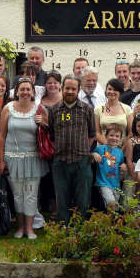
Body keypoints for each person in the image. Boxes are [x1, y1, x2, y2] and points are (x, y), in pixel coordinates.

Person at [0, 78, 48, 239]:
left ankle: (30, 228)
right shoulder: (8, 108)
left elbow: (50, 133)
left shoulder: (40, 109)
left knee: (31, 194)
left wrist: (44, 123)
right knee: (18, 195)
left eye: (28, 89)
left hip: (33, 158)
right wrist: (1, 159)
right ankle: (20, 227)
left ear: (33, 92)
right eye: (22, 89)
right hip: (12, 158)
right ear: (16, 91)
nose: (25, 92)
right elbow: (1, 136)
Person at [48, 74, 96, 223]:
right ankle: (63, 230)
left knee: (82, 200)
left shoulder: (87, 110)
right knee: (62, 199)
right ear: (62, 89)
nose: (70, 91)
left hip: (82, 162)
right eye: (67, 88)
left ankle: (81, 231)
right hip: (60, 162)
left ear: (78, 90)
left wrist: (83, 151)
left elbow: (92, 134)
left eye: (73, 89)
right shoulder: (54, 110)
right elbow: (52, 134)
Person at [39, 71, 62, 215]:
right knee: (45, 178)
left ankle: (57, 208)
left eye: (55, 82)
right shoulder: (40, 100)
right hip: (42, 145)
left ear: (60, 85)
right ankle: (46, 206)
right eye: (49, 83)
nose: (52, 85)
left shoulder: (65, 100)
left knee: (57, 178)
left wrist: (46, 123)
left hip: (59, 144)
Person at [93, 124, 126, 211]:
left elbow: (121, 165)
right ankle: (111, 222)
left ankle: (111, 222)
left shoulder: (120, 152)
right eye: (111, 135)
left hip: (116, 184)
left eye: (117, 136)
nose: (114, 138)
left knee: (115, 207)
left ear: (120, 138)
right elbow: (91, 155)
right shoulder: (100, 149)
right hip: (103, 182)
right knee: (111, 203)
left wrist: (123, 166)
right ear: (106, 136)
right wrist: (94, 154)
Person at [95, 78, 133, 145]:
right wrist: (107, 145)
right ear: (106, 90)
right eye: (109, 89)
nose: (112, 92)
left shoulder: (127, 109)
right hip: (104, 149)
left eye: (115, 90)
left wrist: (122, 148)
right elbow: (97, 132)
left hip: (122, 148)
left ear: (120, 92)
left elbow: (131, 132)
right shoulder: (98, 110)